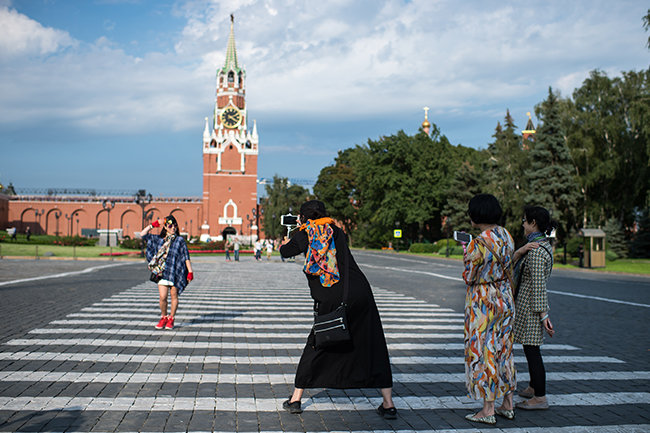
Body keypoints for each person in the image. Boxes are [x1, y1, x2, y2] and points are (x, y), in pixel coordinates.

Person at [279, 200, 396, 419]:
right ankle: (388, 404)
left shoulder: (306, 233)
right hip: (360, 290)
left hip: (332, 294)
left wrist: (287, 238)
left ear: (304, 218)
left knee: (318, 342)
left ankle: (295, 399)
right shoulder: (336, 230)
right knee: (373, 342)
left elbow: (286, 252)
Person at [462, 194, 516, 425]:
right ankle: (508, 404)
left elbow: (469, 276)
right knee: (504, 348)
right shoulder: (506, 235)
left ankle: (487, 409)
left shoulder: (478, 242)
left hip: (484, 301)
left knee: (484, 351)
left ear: (476, 216)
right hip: (505, 297)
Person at [512, 205, 556, 410]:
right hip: (528, 307)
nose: (522, 223)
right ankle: (533, 386)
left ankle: (540, 397)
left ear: (533, 223)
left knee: (532, 350)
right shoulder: (537, 245)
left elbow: (539, 286)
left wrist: (543, 315)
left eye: (525, 220)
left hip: (531, 309)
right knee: (530, 348)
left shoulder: (537, 251)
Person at [139, 215, 194, 330]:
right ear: (165, 226)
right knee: (163, 297)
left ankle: (171, 319)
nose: (173, 228)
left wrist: (190, 271)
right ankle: (163, 317)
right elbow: (142, 235)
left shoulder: (179, 240)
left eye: (175, 226)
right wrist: (153, 225)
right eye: (170, 225)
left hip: (175, 271)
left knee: (174, 296)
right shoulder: (159, 239)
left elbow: (185, 256)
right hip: (162, 272)